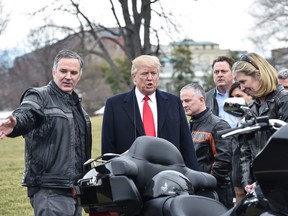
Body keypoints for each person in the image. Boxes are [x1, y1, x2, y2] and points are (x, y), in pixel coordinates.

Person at [0, 49, 92, 216]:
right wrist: (15, 124)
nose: (68, 76)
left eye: (73, 72)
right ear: (54, 72)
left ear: (79, 76)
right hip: (50, 189)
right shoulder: (39, 96)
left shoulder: (78, 108)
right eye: (63, 71)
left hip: (75, 190)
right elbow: (27, 113)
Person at [101, 54, 199, 170]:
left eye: (153, 73)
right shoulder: (114, 105)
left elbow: (186, 145)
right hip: (130, 176)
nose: (150, 78)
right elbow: (108, 150)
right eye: (144, 73)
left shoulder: (174, 103)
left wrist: (194, 179)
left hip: (169, 174)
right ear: (134, 77)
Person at [232, 53, 288, 194]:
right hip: (261, 185)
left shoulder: (284, 101)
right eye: (239, 84)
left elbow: (283, 149)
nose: (242, 88)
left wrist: (265, 178)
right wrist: (247, 182)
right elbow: (245, 151)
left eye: (243, 82)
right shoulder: (252, 108)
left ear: (258, 75)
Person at [180, 83, 234, 209]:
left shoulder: (218, 125)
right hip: (194, 189)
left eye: (187, 100)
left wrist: (207, 181)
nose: (184, 105)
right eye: (182, 101)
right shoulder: (188, 126)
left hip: (216, 191)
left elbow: (225, 161)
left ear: (201, 100)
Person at [228, 81, 253, 204]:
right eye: (231, 97)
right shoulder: (238, 122)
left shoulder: (257, 121)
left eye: (238, 97)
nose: (234, 101)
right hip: (238, 180)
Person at [206, 56, 239, 128]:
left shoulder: (244, 93)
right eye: (216, 72)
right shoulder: (206, 98)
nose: (219, 75)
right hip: (217, 138)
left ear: (233, 73)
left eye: (223, 71)